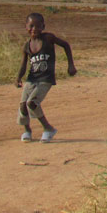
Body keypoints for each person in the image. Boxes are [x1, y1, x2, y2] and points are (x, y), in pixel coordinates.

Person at [16, 12, 77, 143]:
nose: (34, 29)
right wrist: (18, 78)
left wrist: (71, 65)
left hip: (45, 79)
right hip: (32, 79)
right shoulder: (27, 46)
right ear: (26, 27)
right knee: (23, 105)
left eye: (38, 26)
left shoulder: (48, 38)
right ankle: (27, 131)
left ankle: (48, 129)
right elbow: (23, 65)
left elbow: (65, 45)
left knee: (32, 103)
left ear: (43, 27)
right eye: (31, 26)